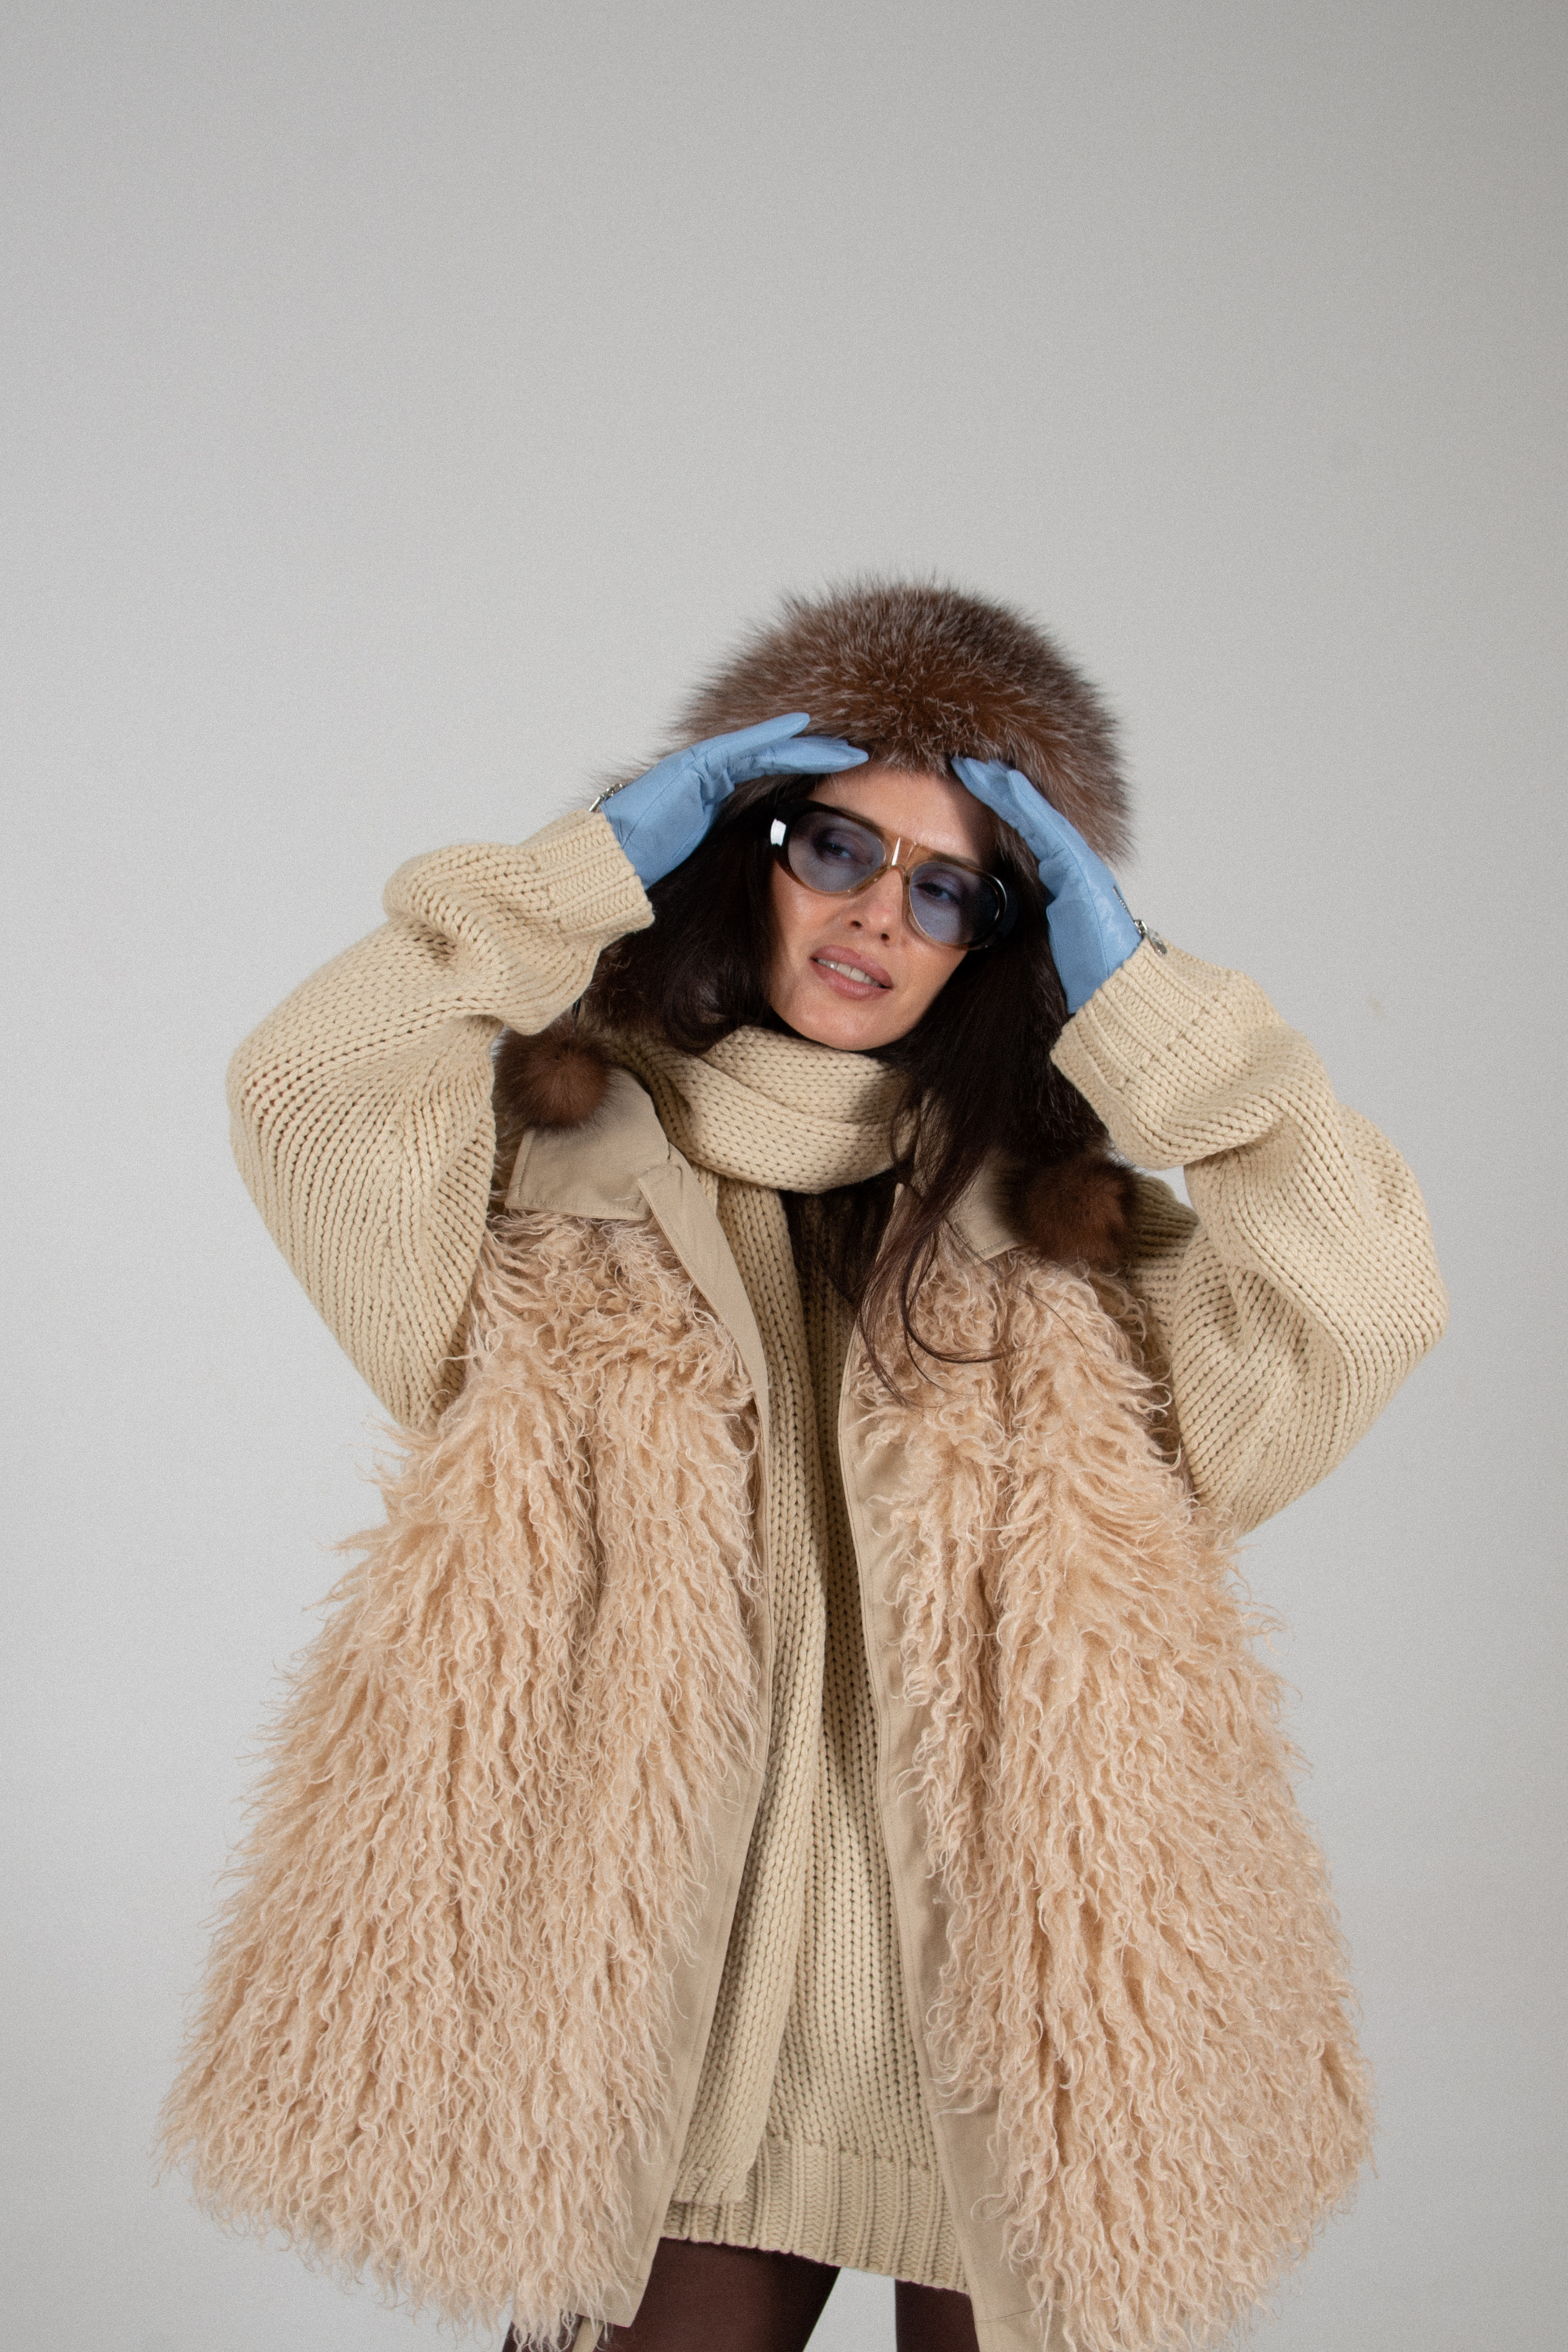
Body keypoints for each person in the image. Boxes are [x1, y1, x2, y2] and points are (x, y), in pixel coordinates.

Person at [162, 583, 1447, 2352]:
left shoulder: (1078, 1253)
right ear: (742, 847)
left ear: (1001, 942)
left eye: (950, 889)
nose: (877, 914)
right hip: (665, 2066)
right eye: (835, 844)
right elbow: (302, 1089)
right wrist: (567, 878)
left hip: (1022, 2074)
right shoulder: (536, 1201)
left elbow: (1372, 1298)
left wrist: (1155, 1013)